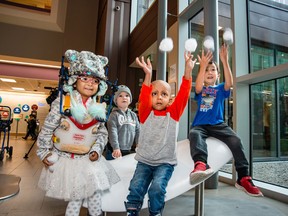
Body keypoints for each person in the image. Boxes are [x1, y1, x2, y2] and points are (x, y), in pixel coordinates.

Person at [36, 50, 120, 216]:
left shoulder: (99, 108)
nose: (90, 83)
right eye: (85, 78)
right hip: (67, 160)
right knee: (76, 197)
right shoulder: (63, 102)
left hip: (88, 160)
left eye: (95, 80)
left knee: (95, 196)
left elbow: (102, 134)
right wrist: (43, 151)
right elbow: (47, 129)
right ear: (74, 81)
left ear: (100, 85)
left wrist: (97, 149)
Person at [125, 52, 197, 216]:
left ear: (169, 99)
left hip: (165, 163)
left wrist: (187, 71)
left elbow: (184, 93)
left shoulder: (174, 113)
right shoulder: (145, 113)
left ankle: (155, 211)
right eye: (154, 93)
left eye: (164, 94)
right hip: (144, 161)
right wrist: (148, 75)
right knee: (136, 186)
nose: (159, 97)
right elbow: (144, 97)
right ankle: (132, 210)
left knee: (157, 189)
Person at [189, 44, 263, 197]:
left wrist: (224, 60)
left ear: (217, 74)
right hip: (200, 125)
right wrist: (202, 66)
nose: (210, 72)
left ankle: (243, 177)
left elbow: (230, 82)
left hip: (218, 124)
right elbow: (197, 87)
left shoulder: (220, 89)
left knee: (235, 139)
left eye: (213, 70)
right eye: (207, 70)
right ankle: (201, 164)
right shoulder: (201, 90)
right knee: (194, 135)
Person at [106, 85, 140, 159]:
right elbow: (112, 132)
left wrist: (138, 143)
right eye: (120, 96)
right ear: (116, 100)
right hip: (115, 150)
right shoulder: (114, 115)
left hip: (128, 149)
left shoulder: (133, 115)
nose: (124, 97)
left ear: (130, 99)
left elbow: (138, 130)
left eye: (127, 95)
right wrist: (116, 147)